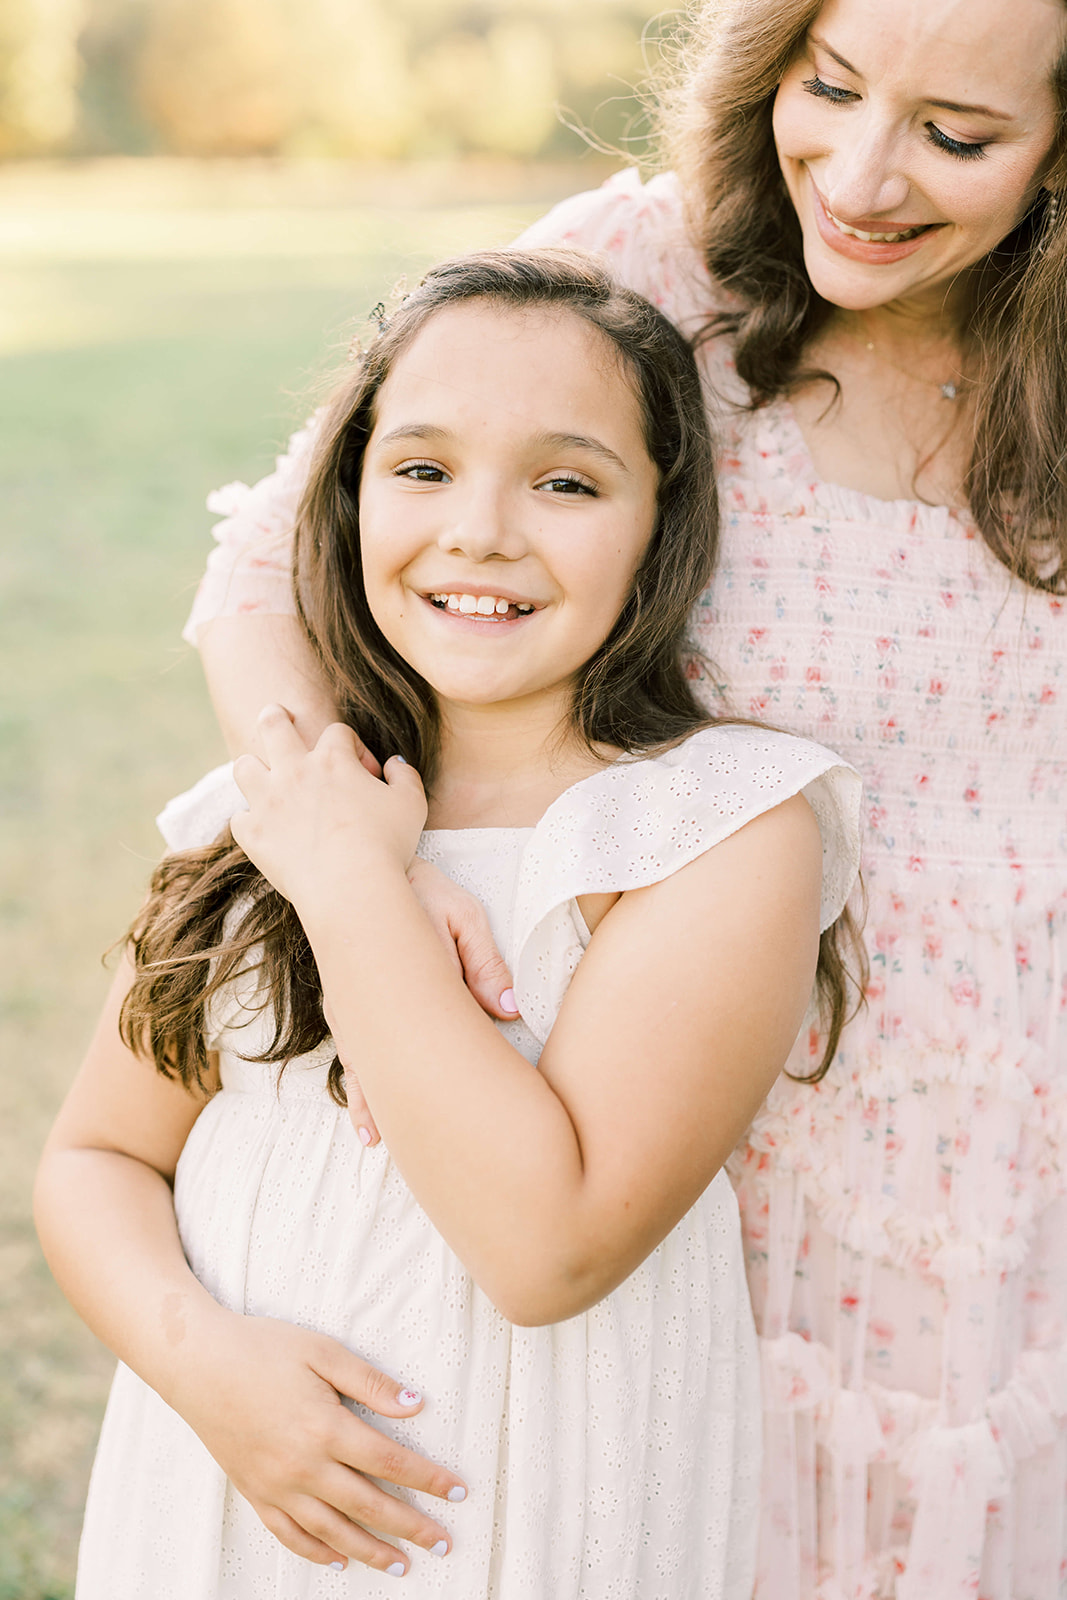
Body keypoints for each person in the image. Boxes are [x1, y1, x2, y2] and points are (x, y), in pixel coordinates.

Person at [138, 1, 1067, 1593]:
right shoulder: (649, 267)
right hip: (679, 1119)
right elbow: (274, 573)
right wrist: (364, 852)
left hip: (1010, 1164)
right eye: (827, 88)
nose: (858, 172)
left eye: (958, 136)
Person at [35, 248, 862, 1598]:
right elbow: (97, 1160)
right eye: (421, 469)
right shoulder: (271, 807)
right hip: (228, 1503)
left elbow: (548, 1249)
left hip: (535, 1525)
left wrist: (361, 883)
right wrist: (204, 1365)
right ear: (351, 493)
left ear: (665, 525)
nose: (480, 530)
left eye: (566, 482)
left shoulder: (714, 829)